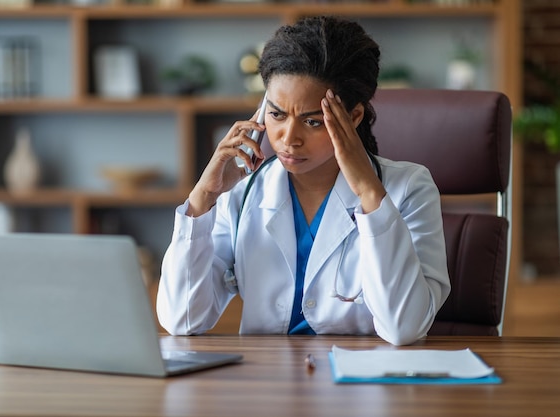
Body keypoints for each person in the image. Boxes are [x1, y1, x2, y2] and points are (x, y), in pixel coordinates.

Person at [156, 16, 450, 346]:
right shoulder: (241, 192)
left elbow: (403, 328)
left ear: (353, 117)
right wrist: (202, 199)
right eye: (277, 114)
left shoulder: (409, 189)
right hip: (266, 386)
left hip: (363, 389)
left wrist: (370, 194)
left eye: (312, 121)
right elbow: (181, 319)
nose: (288, 139)